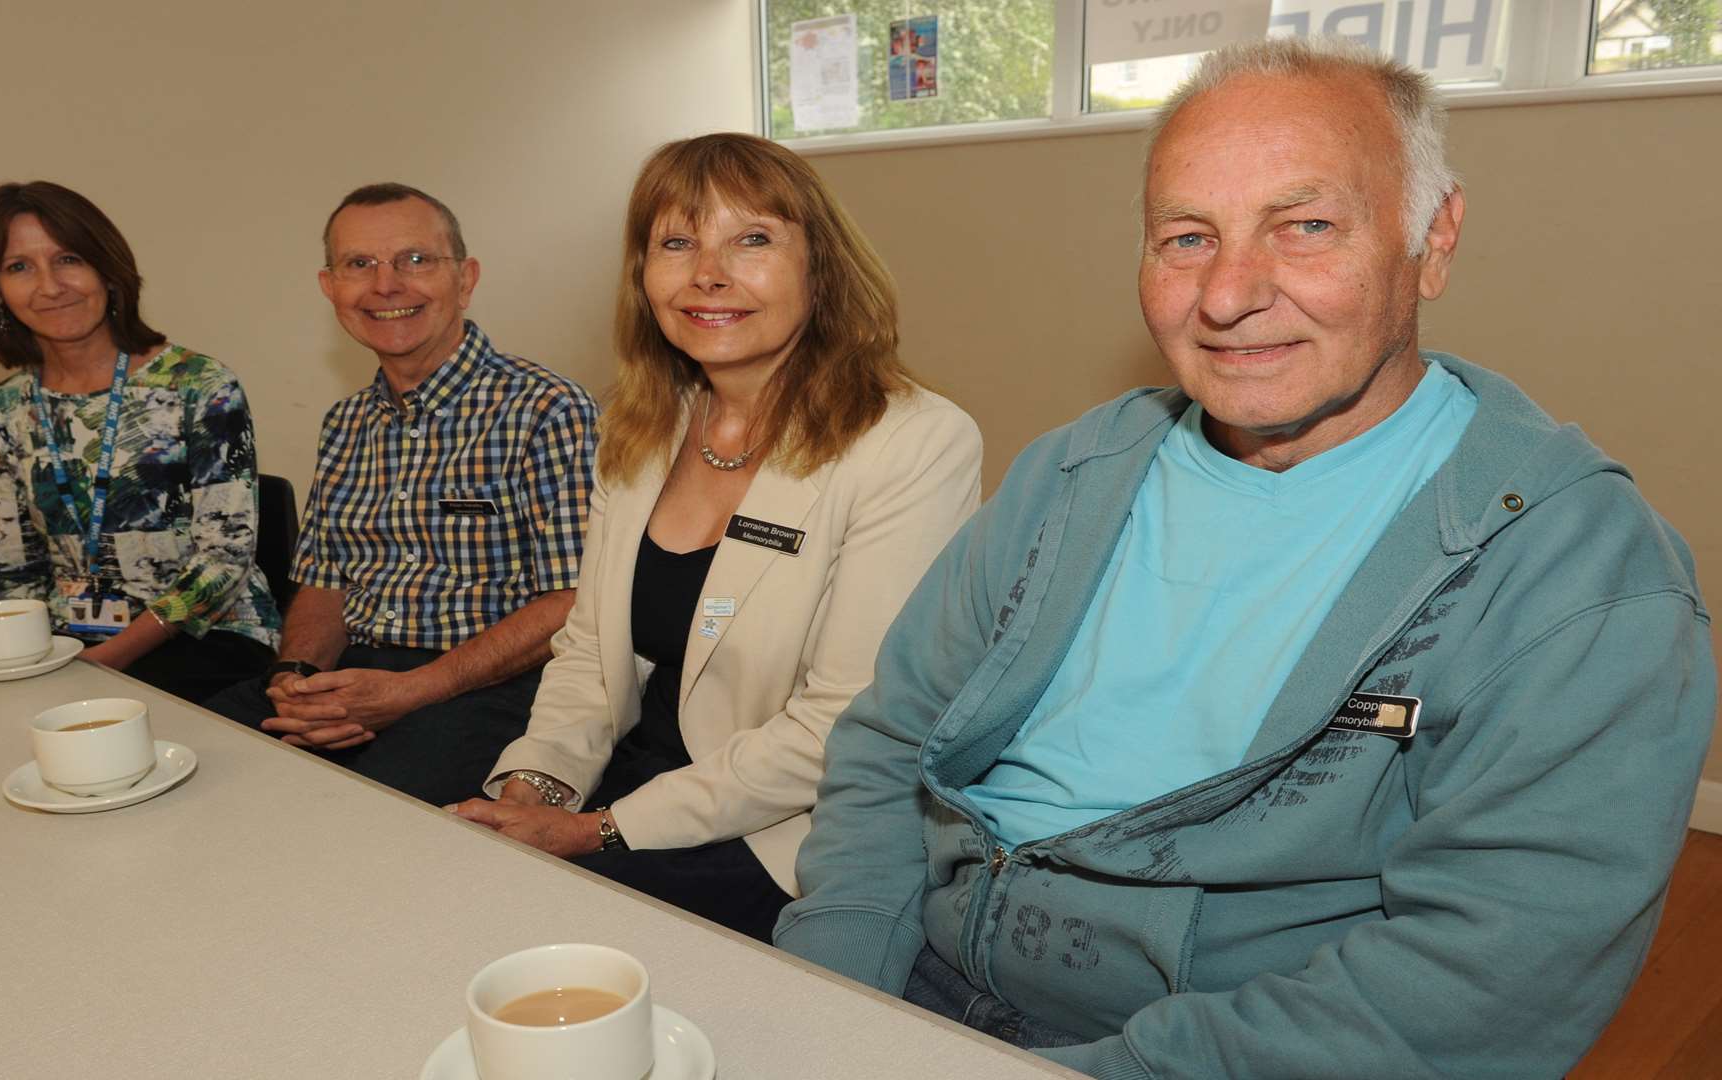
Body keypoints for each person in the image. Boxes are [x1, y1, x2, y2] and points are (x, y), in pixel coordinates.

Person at [776, 37, 1715, 1078]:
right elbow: (893, 740)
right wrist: (825, 997)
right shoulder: (1074, 473)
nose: (1226, 296)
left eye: (1306, 226)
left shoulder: (1579, 575)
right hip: (904, 989)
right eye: (1185, 237)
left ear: (1433, 239)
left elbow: (1478, 984)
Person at [448, 133, 982, 942]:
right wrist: (536, 789)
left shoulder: (914, 441)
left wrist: (598, 830)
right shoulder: (637, 430)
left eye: (753, 239)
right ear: (643, 276)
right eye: (676, 242)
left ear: (821, 269)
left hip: (791, 827)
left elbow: (838, 725)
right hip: (638, 777)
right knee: (451, 883)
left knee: (537, 937)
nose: (708, 272)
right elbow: (593, 656)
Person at [205, 184, 597, 807]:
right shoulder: (345, 423)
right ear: (330, 287)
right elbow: (325, 583)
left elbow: (574, 602)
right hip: (357, 671)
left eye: (416, 260)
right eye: (359, 264)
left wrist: (411, 691)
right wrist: (294, 678)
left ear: (464, 280)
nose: (387, 285)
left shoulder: (549, 409)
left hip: (490, 684)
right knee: (201, 759)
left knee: (357, 815)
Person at [0, 181, 280, 704]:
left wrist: (108, 659)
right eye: (19, 267)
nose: (50, 286)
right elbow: (8, 573)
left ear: (108, 270)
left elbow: (224, 558)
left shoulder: (198, 385)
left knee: (105, 721)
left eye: (68, 259)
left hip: (207, 636)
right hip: (68, 645)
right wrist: (25, 658)